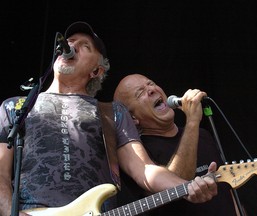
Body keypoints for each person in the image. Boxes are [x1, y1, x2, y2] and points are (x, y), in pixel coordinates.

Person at [0, 21, 218, 216]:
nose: (71, 45)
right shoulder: (16, 107)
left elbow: (143, 170)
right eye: (70, 41)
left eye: (84, 46)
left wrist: (187, 187)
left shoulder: (111, 112)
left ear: (97, 71)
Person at [113, 73, 242, 215]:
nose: (151, 90)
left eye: (151, 83)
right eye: (140, 93)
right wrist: (192, 121)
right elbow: (172, 190)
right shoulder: (138, 153)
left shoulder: (203, 135)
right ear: (132, 118)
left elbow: (227, 192)